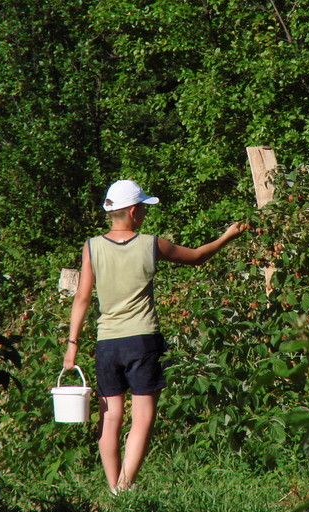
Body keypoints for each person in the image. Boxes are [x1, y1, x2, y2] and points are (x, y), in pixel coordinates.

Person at [62, 179, 246, 494]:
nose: (145, 214)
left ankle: (112, 487)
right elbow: (197, 256)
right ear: (133, 211)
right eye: (144, 209)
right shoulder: (150, 244)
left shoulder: (91, 246)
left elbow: (82, 298)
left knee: (111, 416)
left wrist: (72, 345)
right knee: (143, 415)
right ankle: (125, 485)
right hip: (142, 340)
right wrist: (227, 236)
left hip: (107, 343)